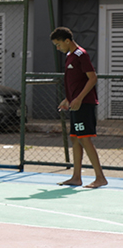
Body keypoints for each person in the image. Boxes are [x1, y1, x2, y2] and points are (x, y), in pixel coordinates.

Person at [50, 27, 107, 189]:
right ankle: (76, 177)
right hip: (75, 104)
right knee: (75, 138)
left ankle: (100, 177)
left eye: (58, 44)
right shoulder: (70, 56)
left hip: (84, 104)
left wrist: (79, 99)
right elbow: (76, 82)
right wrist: (68, 99)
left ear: (67, 41)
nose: (58, 48)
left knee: (84, 138)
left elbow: (92, 78)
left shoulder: (81, 55)